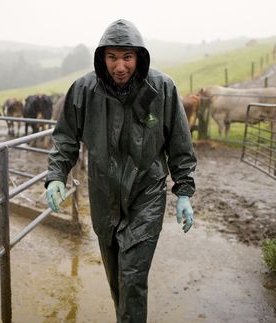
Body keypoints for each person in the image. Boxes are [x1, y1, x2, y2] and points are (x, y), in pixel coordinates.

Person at [45, 19, 196, 323]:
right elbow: (65, 137)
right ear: (102, 57)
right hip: (103, 196)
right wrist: (56, 176)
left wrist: (184, 190)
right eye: (112, 57)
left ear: (139, 56)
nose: (120, 66)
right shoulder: (85, 90)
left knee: (133, 277)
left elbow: (180, 143)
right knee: (117, 279)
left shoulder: (161, 89)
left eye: (127, 57)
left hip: (146, 194)